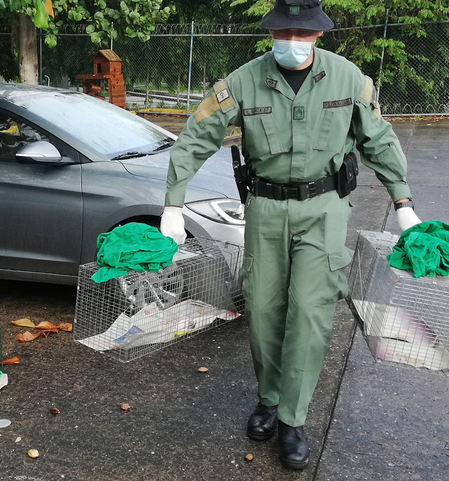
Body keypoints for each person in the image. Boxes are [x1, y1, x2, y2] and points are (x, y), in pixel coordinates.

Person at [159, 0, 421, 470]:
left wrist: (403, 204)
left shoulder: (349, 79)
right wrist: (172, 204)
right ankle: (269, 397)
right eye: (285, 33)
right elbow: (195, 137)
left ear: (318, 34)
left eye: (303, 34)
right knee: (261, 309)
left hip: (324, 210)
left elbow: (378, 140)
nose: (293, 42)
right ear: (272, 32)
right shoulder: (241, 81)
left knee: (310, 310)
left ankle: (292, 418)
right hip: (264, 210)